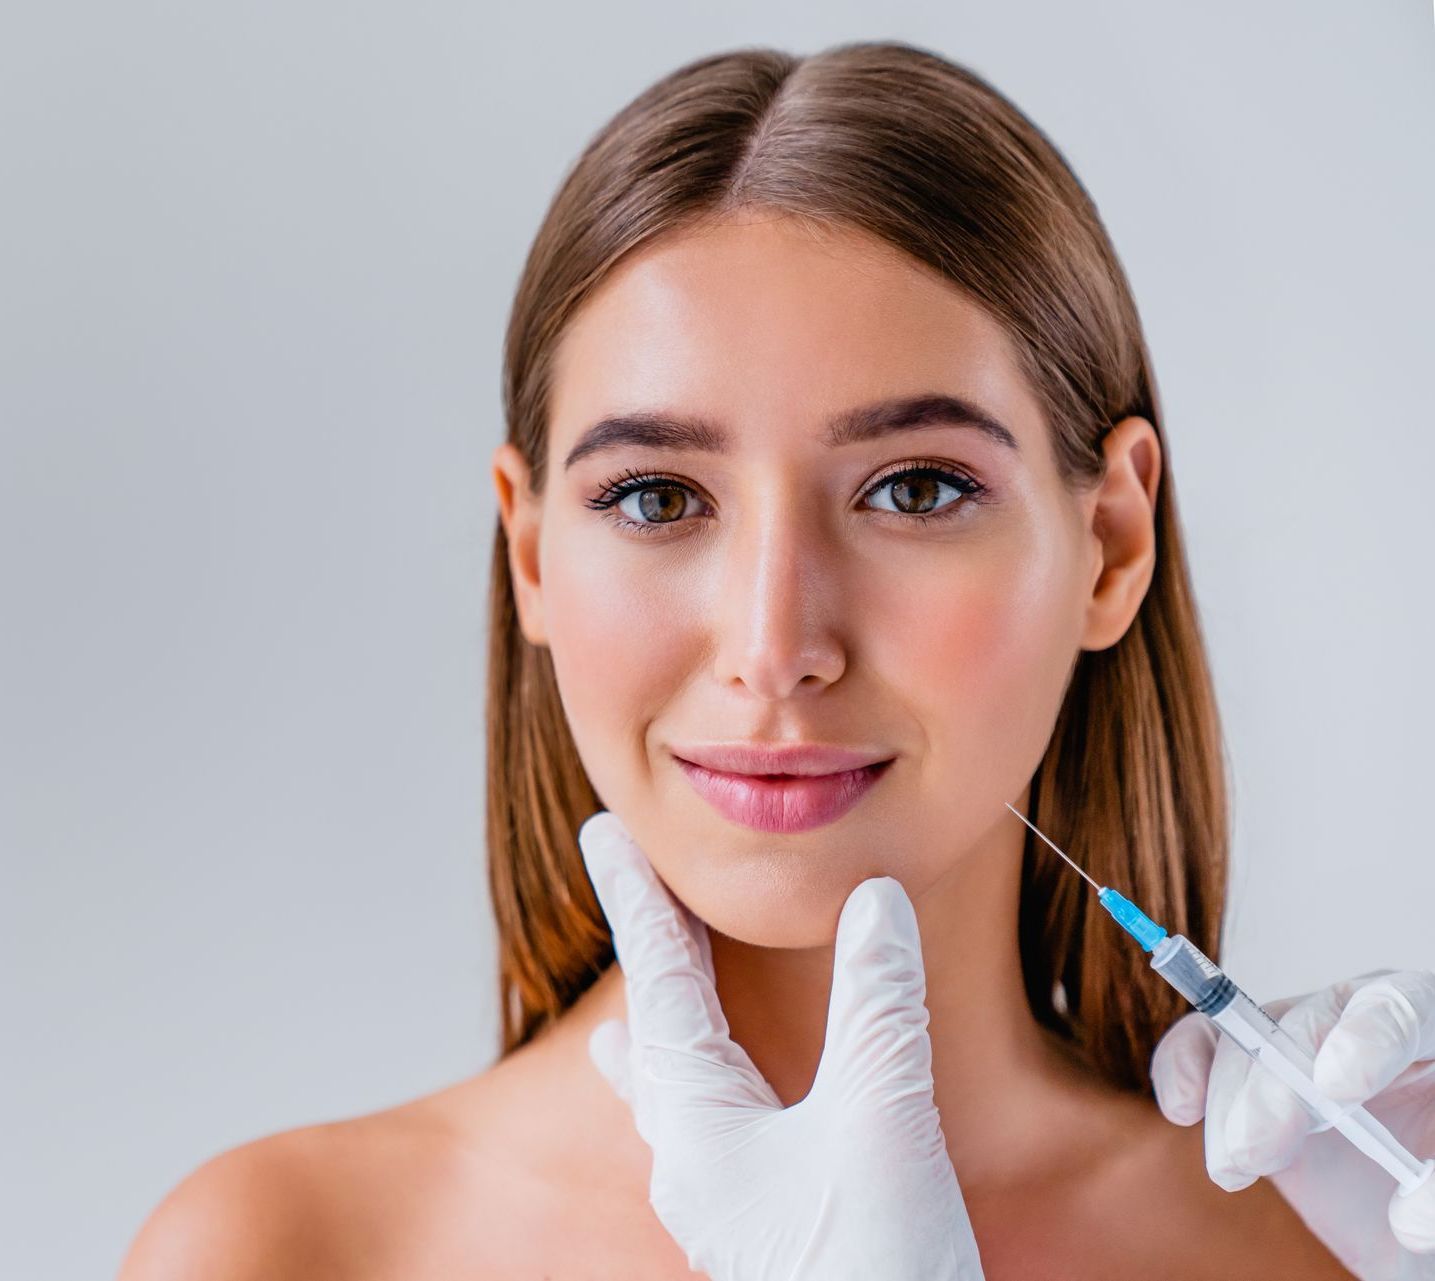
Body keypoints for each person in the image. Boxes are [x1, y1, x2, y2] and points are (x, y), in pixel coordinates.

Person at [118, 39, 1434, 1280]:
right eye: (653, 497)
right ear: (530, 558)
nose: (774, 647)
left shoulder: (1333, 1241)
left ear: (1110, 542)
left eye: (914, 490)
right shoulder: (290, 1250)